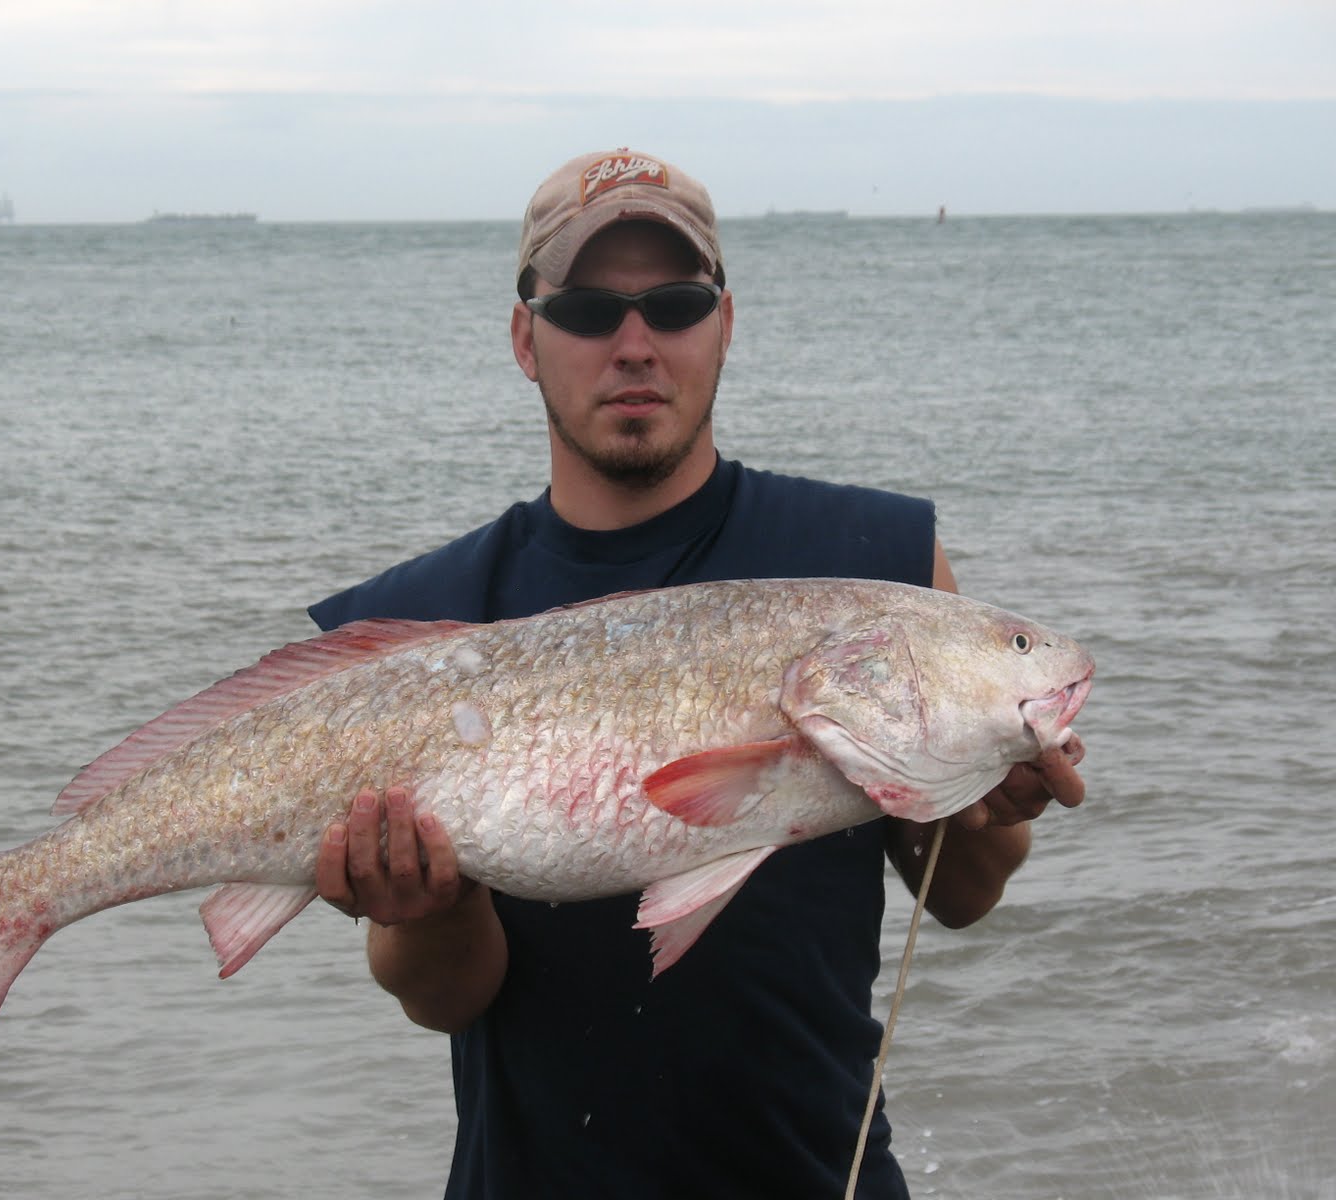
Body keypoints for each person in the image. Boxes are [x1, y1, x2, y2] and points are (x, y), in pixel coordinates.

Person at [306, 148, 1085, 1199]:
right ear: (523, 336)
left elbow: (963, 895)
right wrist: (423, 902)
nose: (634, 344)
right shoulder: (423, 620)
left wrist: (980, 797)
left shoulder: (876, 560)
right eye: (587, 309)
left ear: (725, 322)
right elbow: (446, 998)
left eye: (673, 304)